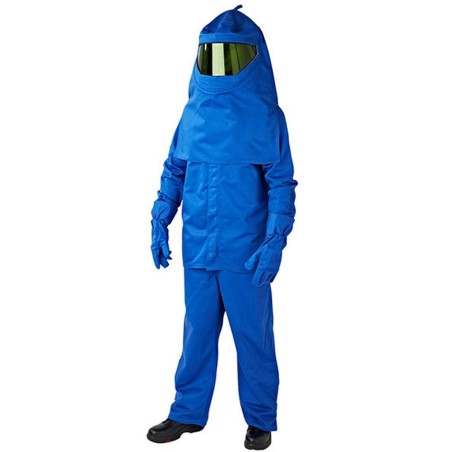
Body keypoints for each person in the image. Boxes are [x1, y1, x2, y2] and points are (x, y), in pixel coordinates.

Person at [147, 5, 297, 450]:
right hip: (197, 244)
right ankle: (187, 412)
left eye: (231, 56)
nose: (219, 67)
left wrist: (275, 241)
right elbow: (175, 170)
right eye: (212, 56)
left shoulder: (266, 118)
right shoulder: (191, 114)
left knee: (253, 336)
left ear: (253, 58)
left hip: (245, 250)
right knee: (196, 332)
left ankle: (260, 418)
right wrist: (160, 218)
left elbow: (281, 183)